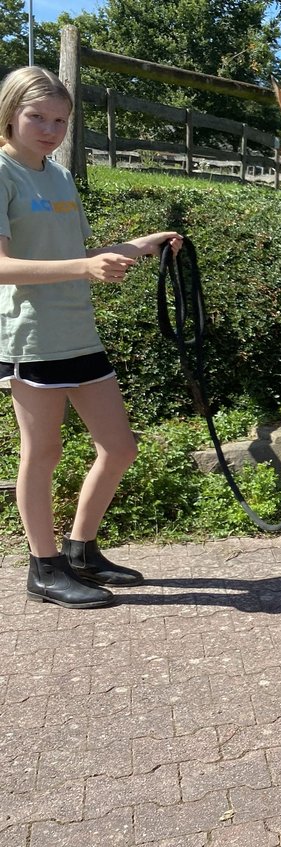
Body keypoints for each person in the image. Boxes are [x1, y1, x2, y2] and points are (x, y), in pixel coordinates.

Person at [0, 66, 182, 609]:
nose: (50, 129)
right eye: (37, 117)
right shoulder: (2, 173)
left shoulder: (57, 176)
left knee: (119, 447)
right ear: (10, 113)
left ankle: (81, 551)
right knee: (44, 451)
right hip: (31, 338)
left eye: (60, 119)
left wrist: (142, 245)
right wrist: (83, 267)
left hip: (79, 332)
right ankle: (44, 567)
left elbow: (77, 255)